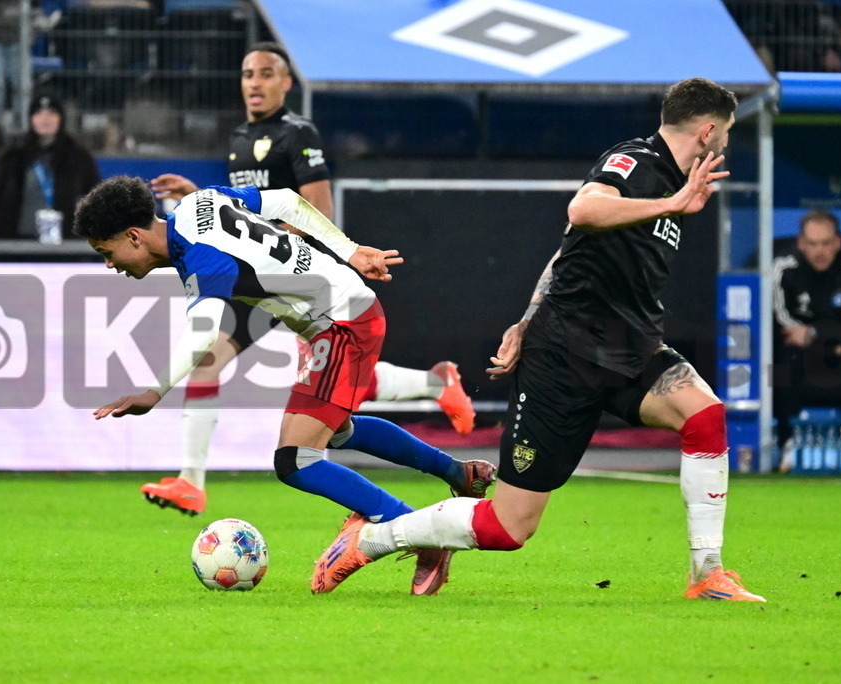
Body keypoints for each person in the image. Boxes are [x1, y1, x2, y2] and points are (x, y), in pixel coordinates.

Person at [309, 78, 766, 601]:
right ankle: (372, 537)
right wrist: (671, 204)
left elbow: (567, 249)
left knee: (705, 416)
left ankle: (706, 574)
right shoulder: (638, 162)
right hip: (566, 356)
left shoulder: (671, 185)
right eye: (726, 133)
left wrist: (524, 318)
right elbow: (583, 211)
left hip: (631, 349)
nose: (725, 145)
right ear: (708, 130)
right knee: (509, 528)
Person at [73, 176, 494, 595]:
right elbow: (287, 202)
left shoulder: (201, 259)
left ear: (133, 236)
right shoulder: (200, 201)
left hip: (342, 324)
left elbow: (202, 335)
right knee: (338, 429)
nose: (110, 264)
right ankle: (459, 472)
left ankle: (418, 532)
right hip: (331, 319)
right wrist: (350, 251)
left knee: (296, 460)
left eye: (106, 253)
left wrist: (153, 391)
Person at [140, 42, 475, 517]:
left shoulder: (297, 133)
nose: (254, 82)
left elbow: (316, 206)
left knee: (243, 376)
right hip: (258, 276)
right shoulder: (238, 137)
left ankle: (193, 481)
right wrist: (199, 198)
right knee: (332, 410)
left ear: (285, 83)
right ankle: (433, 386)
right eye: (246, 74)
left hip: (293, 278)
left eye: (265, 73)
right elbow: (238, 211)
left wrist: (266, 249)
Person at [772, 209, 841, 459]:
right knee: (785, 357)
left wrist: (815, 334)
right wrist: (836, 343)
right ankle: (789, 444)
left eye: (826, 243)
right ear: (801, 244)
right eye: (812, 244)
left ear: (838, 243)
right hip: (803, 357)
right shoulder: (784, 270)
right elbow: (783, 324)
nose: (820, 251)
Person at [0, 94, 100, 240]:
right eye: (39, 114)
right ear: (31, 119)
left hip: (65, 247)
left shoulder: (78, 157)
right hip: (18, 247)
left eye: (51, 114)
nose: (45, 119)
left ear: (61, 118)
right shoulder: (13, 156)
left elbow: (97, 199)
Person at [0, 0, 61, 147]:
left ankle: (22, 128)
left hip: (17, 40)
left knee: (22, 84)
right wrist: (3, 19)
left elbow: (33, 10)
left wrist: (36, 23)